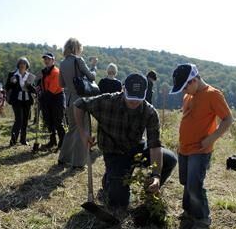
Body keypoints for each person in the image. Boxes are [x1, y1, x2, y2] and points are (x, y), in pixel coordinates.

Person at [74, 73, 178, 211]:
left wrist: (156, 175)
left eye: (138, 98)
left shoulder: (150, 112)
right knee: (119, 203)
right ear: (123, 90)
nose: (134, 102)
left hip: (136, 148)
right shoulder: (107, 101)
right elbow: (79, 104)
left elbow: (154, 145)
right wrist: (83, 133)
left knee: (170, 159)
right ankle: (109, 180)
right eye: (130, 97)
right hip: (114, 152)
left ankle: (149, 190)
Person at [170, 63, 233, 229]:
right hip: (184, 149)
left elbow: (228, 119)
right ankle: (189, 211)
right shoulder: (189, 96)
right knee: (186, 183)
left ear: (194, 80)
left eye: (184, 87)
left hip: (200, 150)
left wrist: (212, 138)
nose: (183, 92)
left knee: (194, 185)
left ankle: (202, 218)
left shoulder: (213, 95)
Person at [58, 38, 97, 168]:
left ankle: (63, 157)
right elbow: (92, 77)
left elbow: (61, 84)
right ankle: (79, 162)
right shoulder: (78, 60)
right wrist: (94, 68)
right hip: (81, 100)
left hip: (68, 100)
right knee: (83, 130)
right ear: (76, 48)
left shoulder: (62, 63)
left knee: (72, 129)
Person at [37, 53, 65, 150]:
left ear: (53, 60)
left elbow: (52, 90)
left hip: (56, 98)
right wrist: (39, 88)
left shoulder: (56, 72)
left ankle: (63, 142)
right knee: (49, 122)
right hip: (47, 98)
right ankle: (52, 141)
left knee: (57, 122)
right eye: (45, 59)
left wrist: (41, 98)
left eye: (48, 59)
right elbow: (42, 84)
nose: (46, 60)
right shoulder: (45, 71)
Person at [5, 57, 35, 146]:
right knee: (19, 120)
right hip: (16, 100)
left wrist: (31, 87)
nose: (22, 65)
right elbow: (7, 87)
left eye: (24, 63)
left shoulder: (30, 76)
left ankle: (23, 140)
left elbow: (32, 89)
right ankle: (13, 140)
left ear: (27, 66)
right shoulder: (12, 74)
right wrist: (11, 82)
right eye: (21, 63)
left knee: (25, 120)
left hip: (27, 100)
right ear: (18, 65)